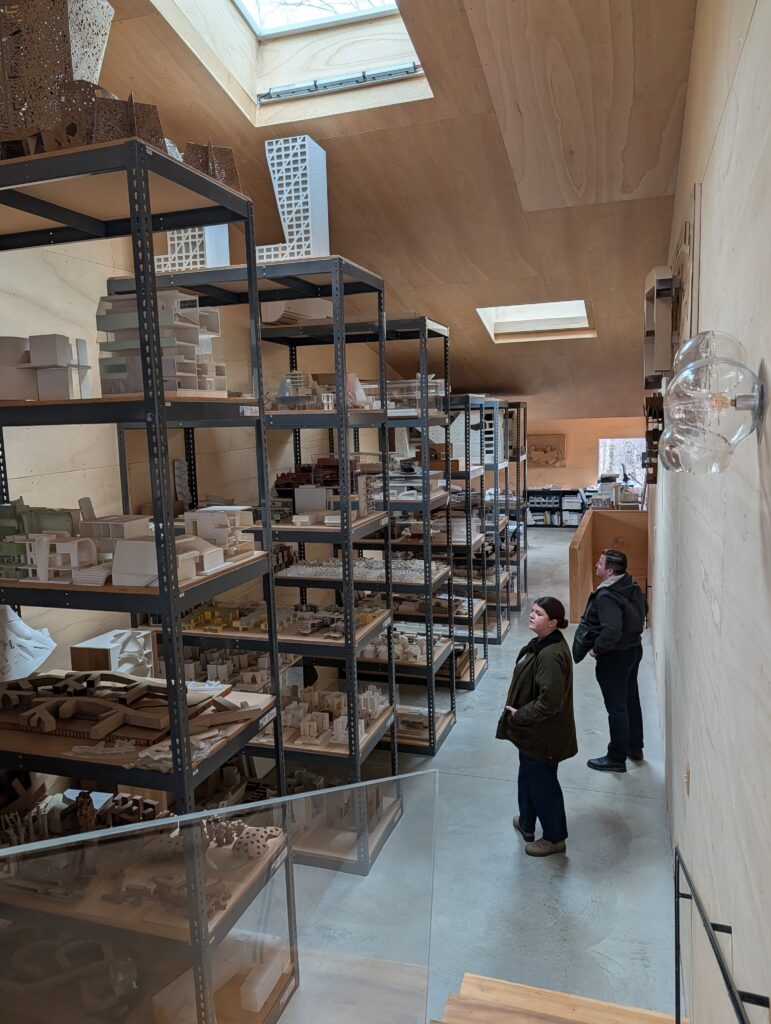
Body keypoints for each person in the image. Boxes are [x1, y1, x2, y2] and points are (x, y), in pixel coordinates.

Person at [496, 597, 577, 857]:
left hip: (544, 734)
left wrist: (520, 715)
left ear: (553, 623)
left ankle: (555, 837)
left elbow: (549, 702)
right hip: (532, 732)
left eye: (539, 613)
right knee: (528, 776)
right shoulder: (542, 643)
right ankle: (527, 823)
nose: (532, 615)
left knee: (543, 784)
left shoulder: (551, 656)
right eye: (532, 611)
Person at [572, 549, 646, 773]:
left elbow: (611, 629)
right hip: (633, 649)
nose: (597, 564)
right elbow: (645, 610)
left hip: (615, 656)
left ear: (610, 570)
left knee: (616, 708)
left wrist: (596, 649)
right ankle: (635, 748)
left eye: (601, 563)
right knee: (630, 700)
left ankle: (616, 757)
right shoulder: (629, 584)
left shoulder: (606, 596)